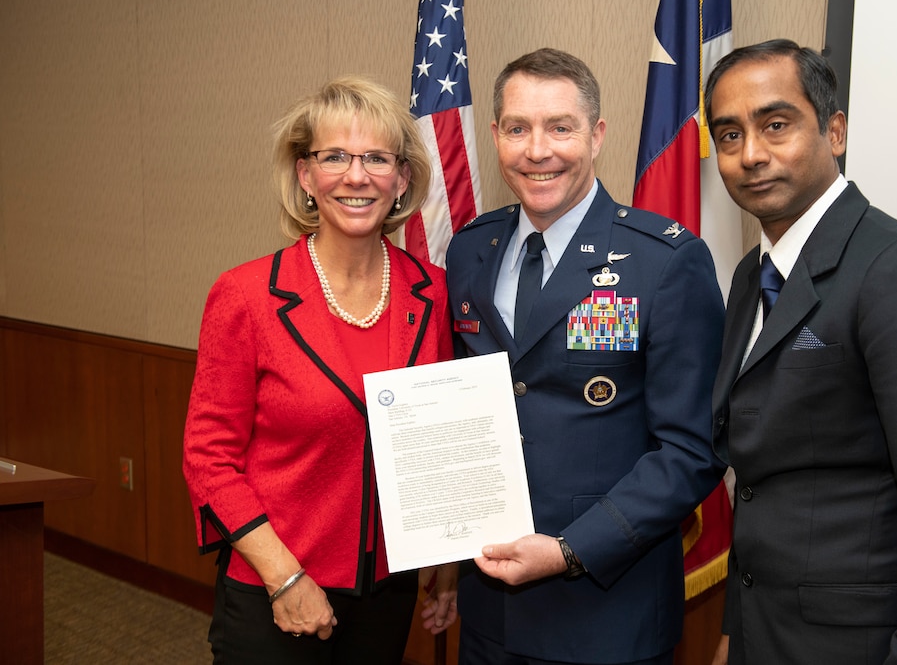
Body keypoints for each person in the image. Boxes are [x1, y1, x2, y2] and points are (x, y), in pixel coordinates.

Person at [704, 39, 897, 665]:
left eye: (776, 125)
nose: (751, 154)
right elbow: (764, 486)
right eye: (729, 136)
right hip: (764, 636)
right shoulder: (747, 277)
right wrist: (736, 630)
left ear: (834, 131)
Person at [444, 47, 726, 665]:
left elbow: (691, 450)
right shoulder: (470, 252)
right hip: (489, 609)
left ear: (597, 135)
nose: (537, 150)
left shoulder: (665, 261)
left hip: (607, 611)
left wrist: (570, 549)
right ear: (495, 136)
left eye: (560, 127)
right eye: (518, 128)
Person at [182, 76, 458, 664]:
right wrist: (285, 579)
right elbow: (208, 458)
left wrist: (449, 565)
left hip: (386, 591)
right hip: (272, 588)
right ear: (306, 175)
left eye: (377, 159)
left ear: (402, 178)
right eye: (335, 156)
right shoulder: (246, 295)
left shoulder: (432, 294)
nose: (355, 177)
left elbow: (439, 442)